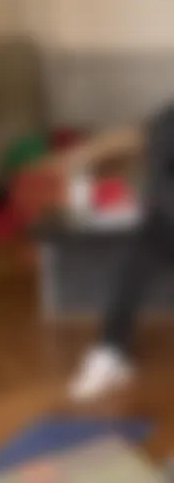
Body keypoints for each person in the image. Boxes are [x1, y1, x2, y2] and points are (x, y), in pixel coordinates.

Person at [67, 105, 174, 400]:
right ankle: (111, 354)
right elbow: (131, 137)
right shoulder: (166, 119)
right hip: (160, 224)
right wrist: (81, 156)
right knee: (128, 284)